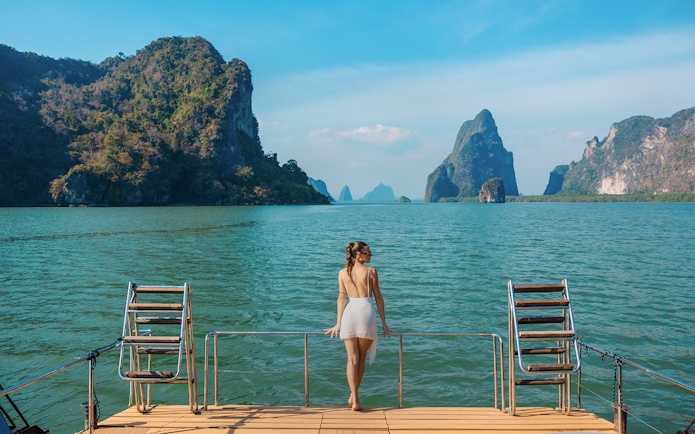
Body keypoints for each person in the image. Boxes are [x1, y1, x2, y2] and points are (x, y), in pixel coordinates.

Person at [324, 241, 391, 411]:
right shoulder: (372, 272)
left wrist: (338, 322)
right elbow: (378, 298)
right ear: (359, 255)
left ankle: (355, 398)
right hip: (366, 313)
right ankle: (354, 397)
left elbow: (341, 298)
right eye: (368, 253)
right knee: (360, 359)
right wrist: (384, 324)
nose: (371, 256)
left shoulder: (342, 273)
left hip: (350, 313)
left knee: (351, 359)